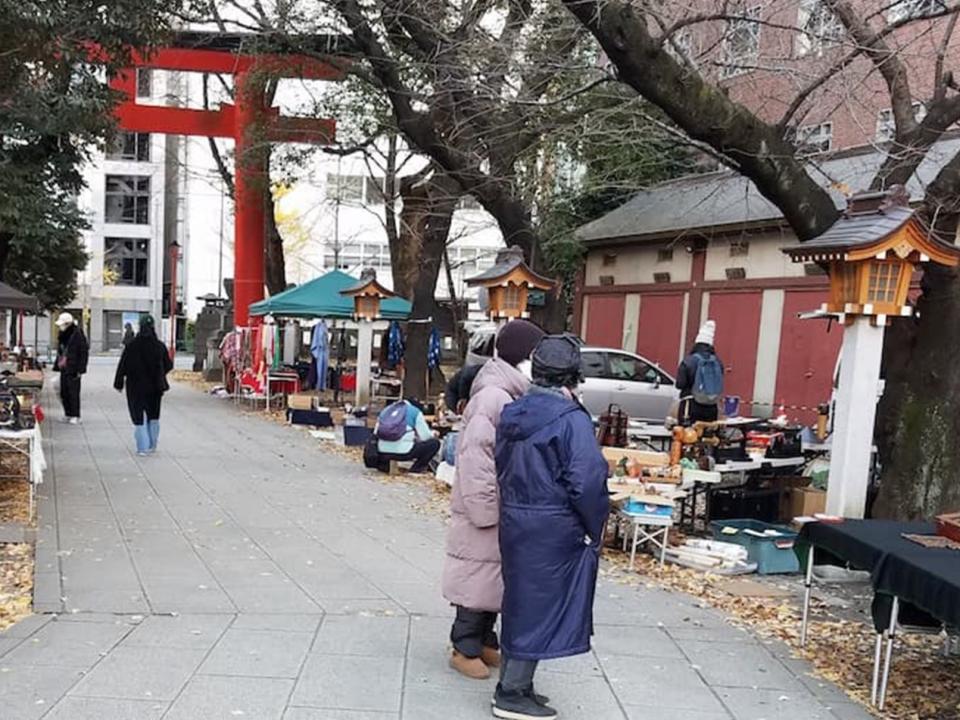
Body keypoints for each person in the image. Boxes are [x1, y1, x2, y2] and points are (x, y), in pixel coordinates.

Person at [493, 334, 610, 720]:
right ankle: (511, 692)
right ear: (572, 376)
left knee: (521, 600)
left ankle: (517, 684)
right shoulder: (570, 419)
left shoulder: (514, 411)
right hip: (552, 523)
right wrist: (596, 525)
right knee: (540, 607)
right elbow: (587, 479)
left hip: (515, 518)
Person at [441, 319, 545, 681]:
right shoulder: (494, 396)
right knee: (476, 576)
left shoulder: (509, 391)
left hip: (497, 503)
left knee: (492, 578)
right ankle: (463, 645)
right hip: (482, 505)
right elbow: (476, 457)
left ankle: (485, 639)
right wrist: (486, 508)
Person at [114, 315, 173, 456]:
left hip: (135, 386)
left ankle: (142, 447)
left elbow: (122, 366)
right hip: (155, 387)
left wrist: (119, 383)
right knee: (153, 415)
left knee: (139, 417)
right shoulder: (159, 346)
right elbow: (168, 365)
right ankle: (152, 444)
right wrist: (160, 373)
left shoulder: (132, 346)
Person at [371, 397, 440, 474]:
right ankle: (416, 469)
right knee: (434, 444)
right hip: (403, 453)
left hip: (381, 452)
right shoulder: (414, 411)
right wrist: (433, 433)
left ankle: (384, 466)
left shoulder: (386, 410)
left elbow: (376, 433)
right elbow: (425, 436)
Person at [676, 320, 724, 426]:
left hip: (690, 406)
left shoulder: (688, 361)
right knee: (708, 438)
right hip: (711, 408)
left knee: (688, 438)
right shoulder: (718, 362)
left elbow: (679, 384)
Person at [55, 312, 89, 424]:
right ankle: (68, 413)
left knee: (73, 392)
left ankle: (75, 415)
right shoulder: (62, 335)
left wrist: (81, 369)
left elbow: (83, 352)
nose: (61, 327)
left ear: (68, 323)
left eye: (62, 324)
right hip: (64, 367)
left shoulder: (78, 334)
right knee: (63, 391)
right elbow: (60, 350)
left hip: (74, 368)